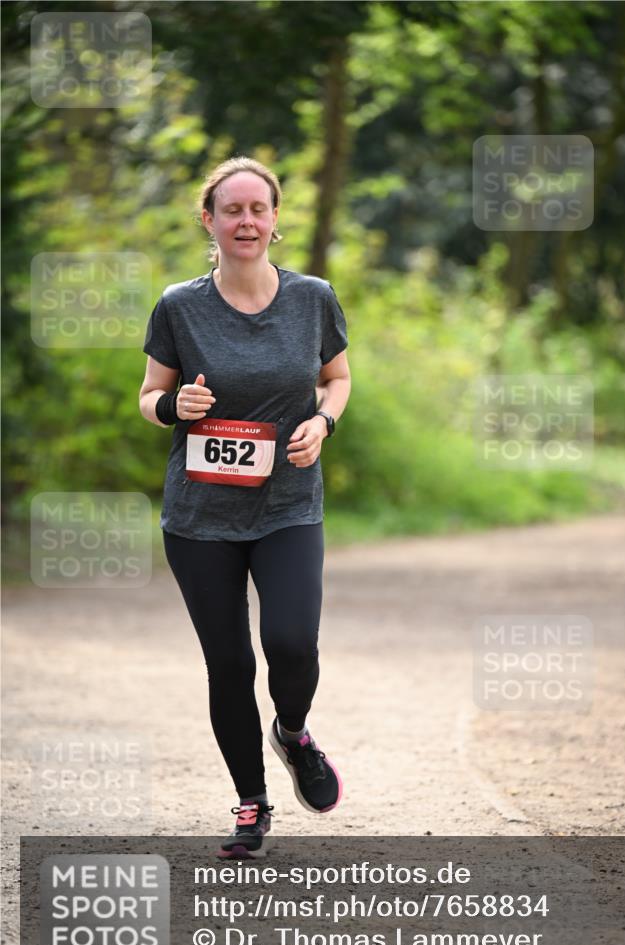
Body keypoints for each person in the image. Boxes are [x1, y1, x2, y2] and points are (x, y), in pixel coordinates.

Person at [139, 156, 351, 859]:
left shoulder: (312, 298)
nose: (246, 222)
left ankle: (292, 731)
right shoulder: (179, 305)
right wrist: (176, 406)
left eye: (257, 209)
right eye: (231, 210)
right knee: (228, 665)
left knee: (291, 643)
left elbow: (337, 376)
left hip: (288, 505)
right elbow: (148, 398)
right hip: (199, 517)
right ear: (209, 220)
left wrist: (322, 423)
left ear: (275, 219)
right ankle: (251, 802)